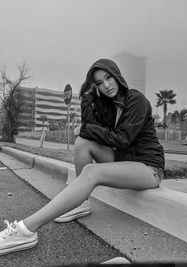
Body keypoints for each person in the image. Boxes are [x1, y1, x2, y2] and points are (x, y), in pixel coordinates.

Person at [0, 58, 164, 256]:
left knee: (91, 171)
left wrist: (85, 128)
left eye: (109, 77)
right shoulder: (109, 106)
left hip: (148, 167)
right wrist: (87, 98)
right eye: (99, 83)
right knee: (82, 142)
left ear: (117, 75)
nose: (106, 85)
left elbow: (122, 139)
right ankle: (82, 203)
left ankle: (26, 229)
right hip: (124, 161)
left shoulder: (135, 99)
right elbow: (87, 132)